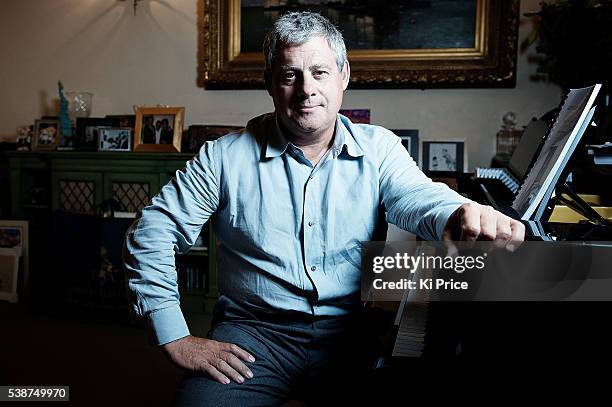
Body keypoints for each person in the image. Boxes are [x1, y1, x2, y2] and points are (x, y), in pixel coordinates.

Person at [123, 11, 524, 406]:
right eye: (289, 75)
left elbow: (417, 196)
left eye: (319, 72)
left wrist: (458, 213)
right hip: (253, 337)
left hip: (352, 336)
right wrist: (174, 335)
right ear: (269, 83)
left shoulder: (380, 148)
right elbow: (152, 231)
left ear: (344, 76)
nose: (306, 89)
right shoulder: (223, 157)